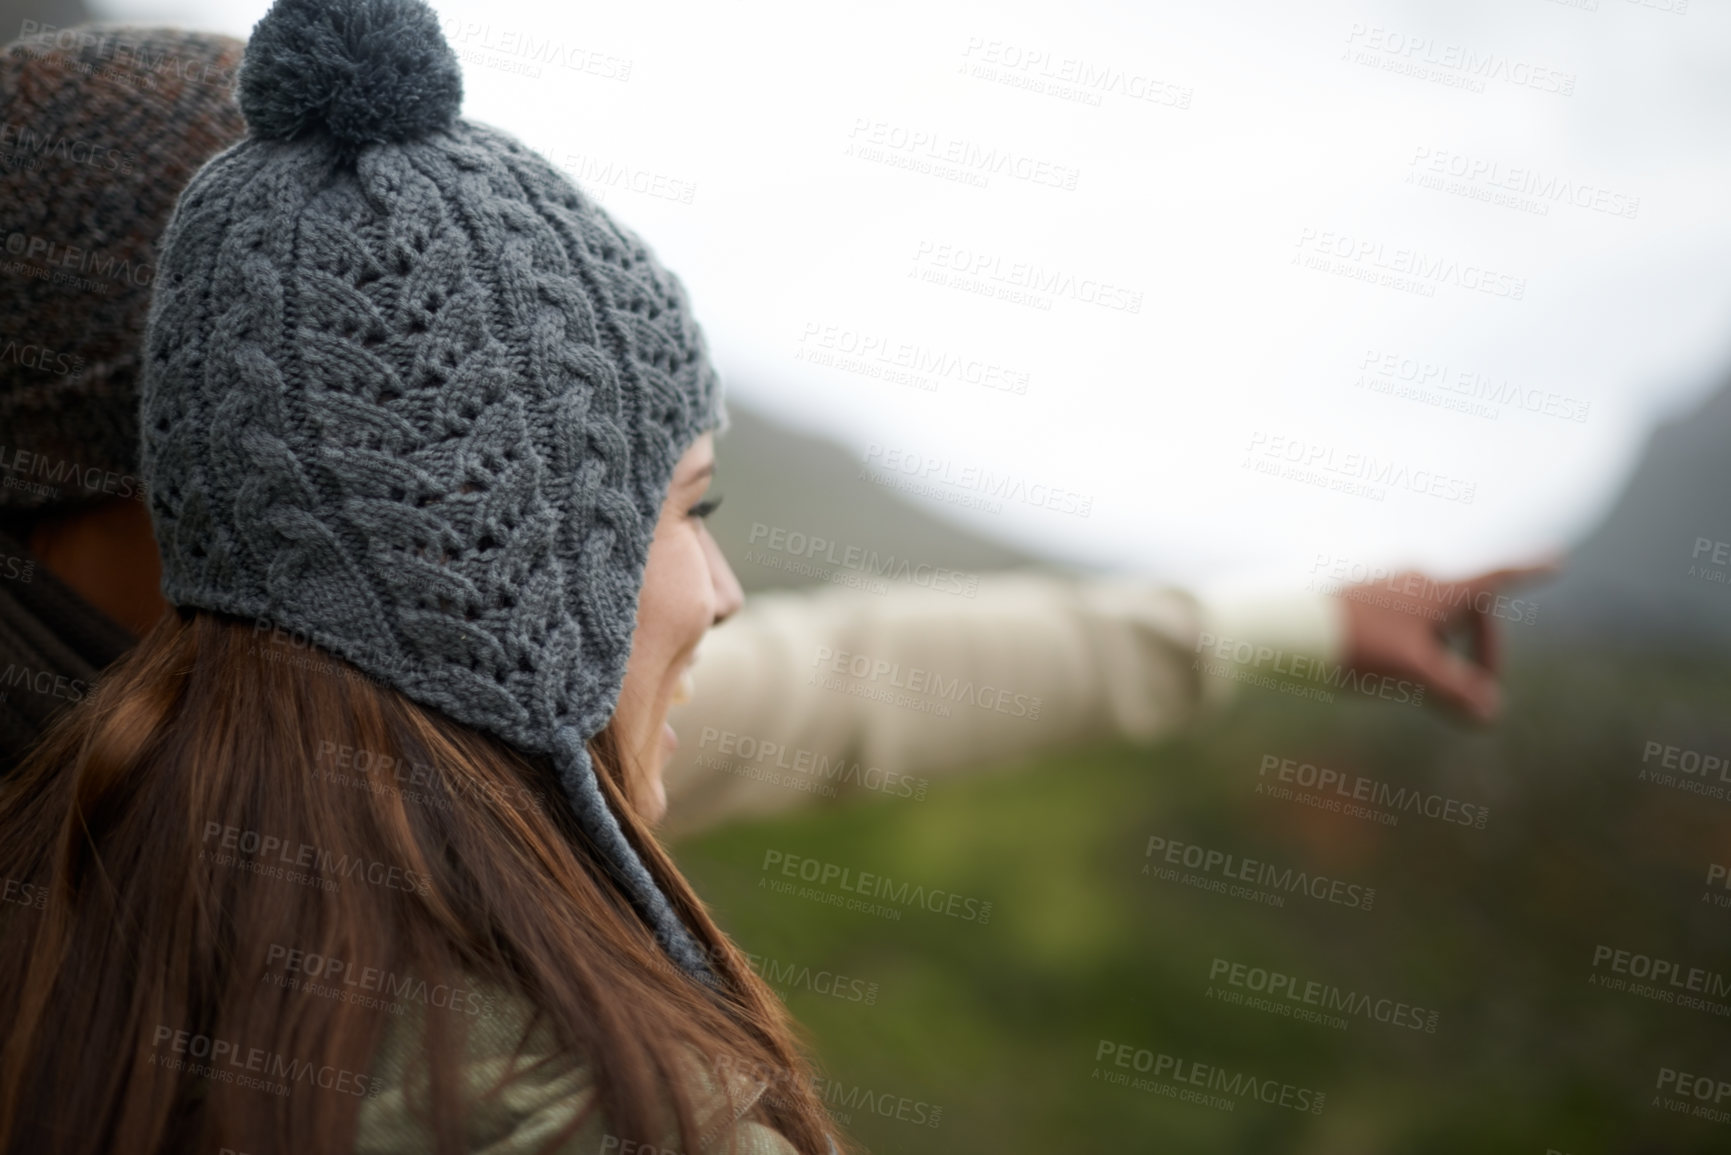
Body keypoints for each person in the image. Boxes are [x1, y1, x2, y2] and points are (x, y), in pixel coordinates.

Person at [0, 18, 1540, 825]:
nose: (493, 530)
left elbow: (850, 686)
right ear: (191, 482)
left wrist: (1299, 623)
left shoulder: (435, 735)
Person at [0, 1, 837, 1152]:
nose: (726, 592)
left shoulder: (87, 890)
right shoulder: (588, 1115)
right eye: (690, 508)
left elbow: (832, 687)